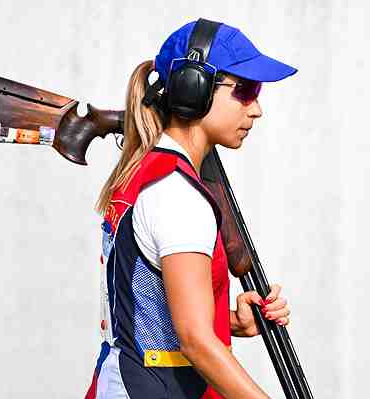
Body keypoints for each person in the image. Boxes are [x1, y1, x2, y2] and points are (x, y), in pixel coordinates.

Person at [84, 19, 298, 399]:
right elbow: (196, 344)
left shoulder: (150, 173)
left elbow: (141, 306)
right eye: (246, 90)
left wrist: (227, 321)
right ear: (192, 88)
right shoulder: (176, 194)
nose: (258, 109)